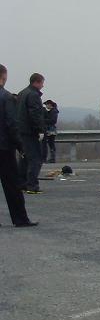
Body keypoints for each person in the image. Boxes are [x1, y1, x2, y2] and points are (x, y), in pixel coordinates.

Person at [0, 65, 36, 227]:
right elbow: (12, 124)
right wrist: (20, 146)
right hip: (4, 147)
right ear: (4, 76)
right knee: (12, 185)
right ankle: (20, 218)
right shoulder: (6, 97)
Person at [16, 73, 46, 194]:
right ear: (37, 82)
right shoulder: (33, 95)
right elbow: (35, 114)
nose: (43, 86)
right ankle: (32, 185)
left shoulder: (22, 93)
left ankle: (22, 183)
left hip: (20, 131)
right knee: (35, 159)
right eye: (42, 83)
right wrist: (40, 130)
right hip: (30, 132)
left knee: (24, 158)